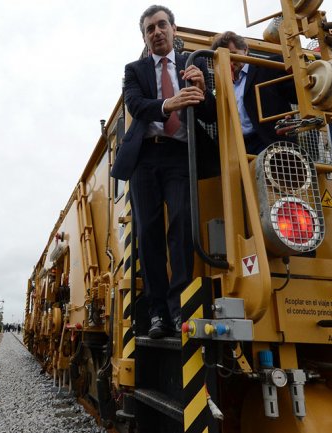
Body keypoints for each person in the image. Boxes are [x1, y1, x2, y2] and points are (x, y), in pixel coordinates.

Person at [111, 5, 216, 339]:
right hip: (145, 157)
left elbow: (212, 115)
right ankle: (157, 313)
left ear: (174, 29)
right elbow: (136, 105)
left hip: (179, 156)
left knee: (183, 225)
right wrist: (167, 105)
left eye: (161, 26)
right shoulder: (134, 70)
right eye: (149, 29)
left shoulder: (194, 65)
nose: (156, 32)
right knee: (149, 234)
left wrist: (205, 92)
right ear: (144, 37)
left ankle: (178, 309)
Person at [210, 31, 297, 155]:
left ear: (245, 50)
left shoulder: (268, 67)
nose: (230, 62)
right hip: (238, 147)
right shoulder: (222, 87)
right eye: (224, 58)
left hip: (268, 140)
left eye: (233, 54)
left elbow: (298, 94)